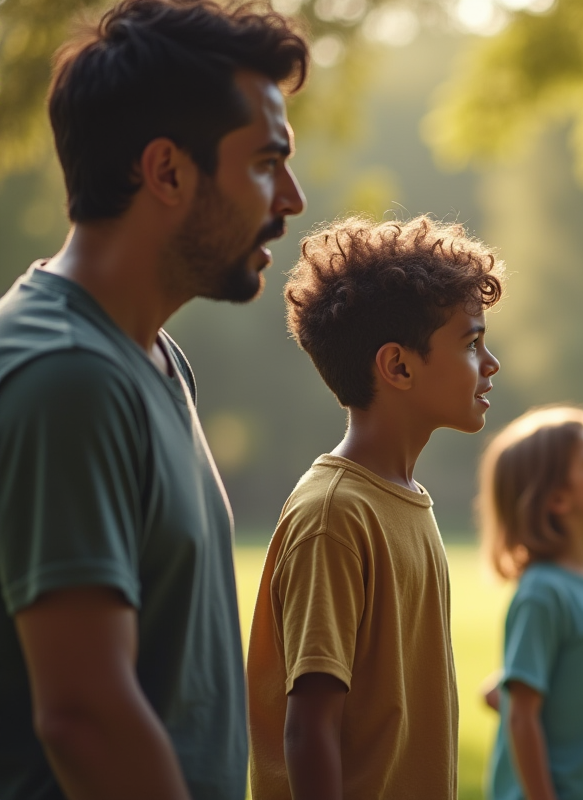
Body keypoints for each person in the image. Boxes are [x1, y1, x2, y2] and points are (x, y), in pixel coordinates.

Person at [0, 1, 307, 798]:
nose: (292, 199)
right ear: (166, 170)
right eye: (267, 162)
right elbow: (85, 717)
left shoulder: (151, 357)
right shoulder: (64, 375)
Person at [245, 214, 503, 800]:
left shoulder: (405, 500)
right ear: (399, 366)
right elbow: (310, 730)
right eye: (471, 343)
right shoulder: (334, 516)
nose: (490, 365)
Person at [479, 406, 583, 800]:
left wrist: (504, 690)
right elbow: (522, 717)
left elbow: (525, 685)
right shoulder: (542, 592)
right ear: (558, 498)